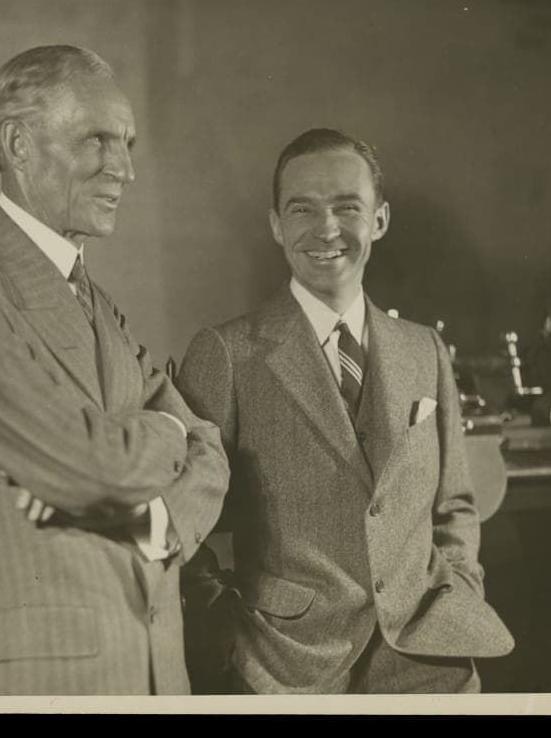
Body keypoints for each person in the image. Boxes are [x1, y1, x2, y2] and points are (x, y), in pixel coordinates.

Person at [0, 45, 229, 695]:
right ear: (17, 145)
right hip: (45, 674)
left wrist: (160, 526)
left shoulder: (96, 301)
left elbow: (209, 448)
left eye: (127, 143)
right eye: (96, 139)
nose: (124, 169)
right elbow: (85, 464)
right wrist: (166, 430)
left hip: (160, 670)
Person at [175, 128, 513, 694]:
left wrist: (458, 586)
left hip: (433, 659)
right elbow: (186, 517)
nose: (326, 229)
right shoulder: (227, 353)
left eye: (347, 207)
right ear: (276, 225)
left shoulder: (423, 349)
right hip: (284, 668)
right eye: (302, 209)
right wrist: (224, 626)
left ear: (379, 220)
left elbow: (454, 502)